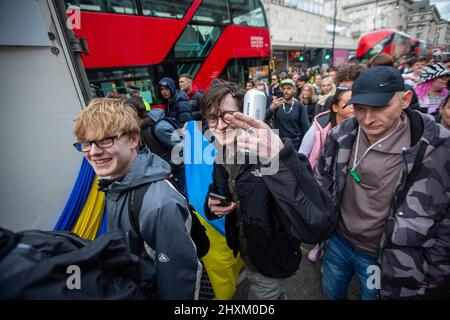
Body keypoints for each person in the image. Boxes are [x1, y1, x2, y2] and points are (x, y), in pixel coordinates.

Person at [315, 66, 450, 300]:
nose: (368, 119)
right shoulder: (340, 135)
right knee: (332, 292)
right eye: (359, 109)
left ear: (405, 99)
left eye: (379, 108)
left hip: (384, 257)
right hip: (338, 242)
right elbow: (323, 180)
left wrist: (435, 266)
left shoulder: (437, 148)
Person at [202, 80, 333, 300]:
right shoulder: (221, 153)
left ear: (247, 113)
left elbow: (317, 225)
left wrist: (281, 158)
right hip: (245, 250)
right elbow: (221, 191)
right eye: (212, 118)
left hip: (272, 257)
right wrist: (211, 204)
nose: (220, 125)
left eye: (227, 116)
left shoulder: (272, 152)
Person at [72, 98, 201, 299]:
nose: (94, 152)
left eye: (106, 139)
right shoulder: (114, 182)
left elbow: (180, 279)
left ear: (133, 139)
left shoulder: (159, 203)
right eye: (87, 143)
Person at [125, 96, 186, 195]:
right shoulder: (141, 129)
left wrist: (169, 167)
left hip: (179, 173)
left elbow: (182, 149)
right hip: (166, 173)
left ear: (135, 114)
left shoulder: (159, 128)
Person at [265, 79, 310, 150]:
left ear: (294, 90)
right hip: (278, 143)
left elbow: (306, 127)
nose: (286, 91)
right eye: (283, 89)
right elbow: (265, 119)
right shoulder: (276, 104)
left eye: (289, 88)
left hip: (294, 144)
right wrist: (271, 108)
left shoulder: (299, 106)